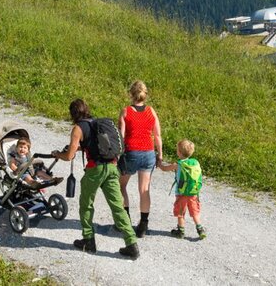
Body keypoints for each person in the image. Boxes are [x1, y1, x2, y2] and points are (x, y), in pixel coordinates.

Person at [52, 99, 139, 259]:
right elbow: (97, 145)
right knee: (117, 207)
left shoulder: (78, 128)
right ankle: (131, 244)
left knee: (86, 205)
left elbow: (69, 156)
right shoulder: (97, 123)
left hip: (95, 170)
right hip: (112, 167)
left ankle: (88, 240)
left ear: (73, 114)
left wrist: (58, 154)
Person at [117, 80, 163, 238]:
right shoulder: (151, 111)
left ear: (131, 94)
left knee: (121, 186)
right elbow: (157, 135)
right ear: (145, 94)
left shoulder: (126, 111)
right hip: (149, 153)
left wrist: (117, 155)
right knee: (144, 190)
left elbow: (121, 137)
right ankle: (143, 225)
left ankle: (125, 220)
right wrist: (160, 155)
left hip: (131, 153)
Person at [159, 139, 206, 240]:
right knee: (194, 211)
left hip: (181, 193)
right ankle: (200, 229)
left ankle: (181, 231)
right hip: (193, 193)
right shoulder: (195, 163)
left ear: (179, 152)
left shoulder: (178, 164)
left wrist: (159, 163)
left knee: (181, 212)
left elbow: (164, 169)